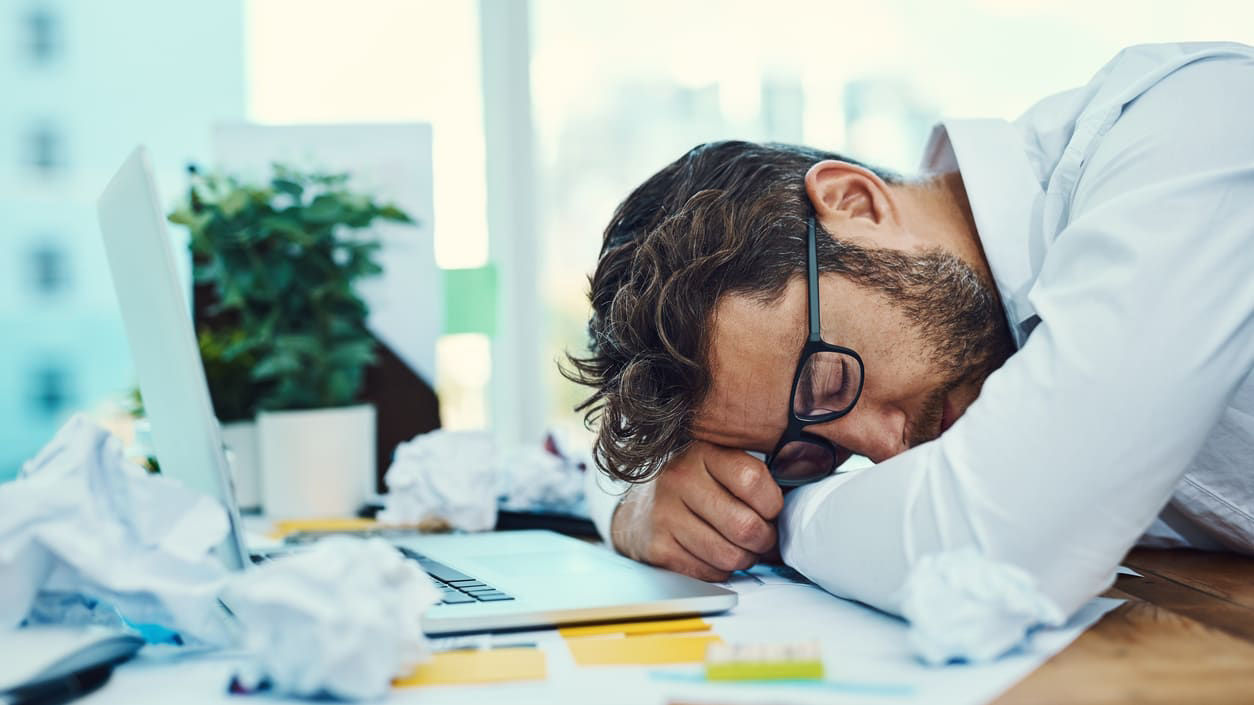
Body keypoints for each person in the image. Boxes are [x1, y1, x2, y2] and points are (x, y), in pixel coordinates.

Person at [566, 41, 1254, 653]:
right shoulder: (986, 363)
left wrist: (774, 524)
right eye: (814, 451)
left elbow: (996, 545)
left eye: (830, 383)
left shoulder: (1182, 129)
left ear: (855, 202)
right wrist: (641, 508)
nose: (888, 450)